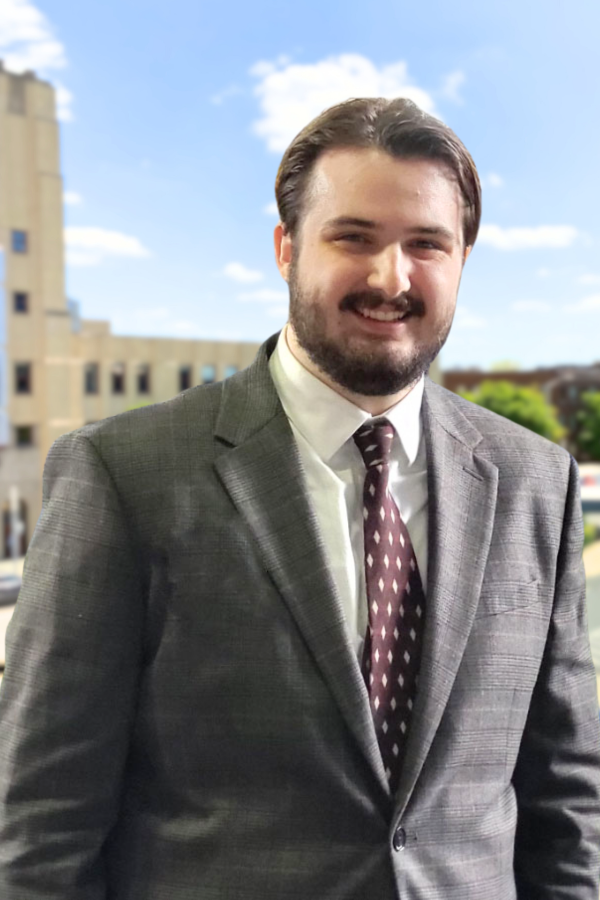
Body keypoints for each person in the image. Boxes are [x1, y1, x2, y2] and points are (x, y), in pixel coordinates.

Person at [0, 97, 599, 900]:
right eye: (354, 237)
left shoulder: (535, 480)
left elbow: (564, 794)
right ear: (286, 248)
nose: (393, 277)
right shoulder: (122, 475)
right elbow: (43, 821)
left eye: (428, 244)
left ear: (462, 261)